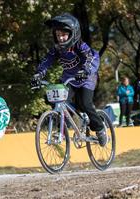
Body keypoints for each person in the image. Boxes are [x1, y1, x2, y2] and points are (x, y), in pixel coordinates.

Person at [30, 13, 107, 146]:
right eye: (58, 35)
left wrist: (85, 70)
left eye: (64, 35)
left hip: (86, 78)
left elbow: (91, 57)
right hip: (69, 80)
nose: (60, 38)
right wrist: (38, 74)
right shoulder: (56, 49)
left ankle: (100, 129)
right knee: (59, 102)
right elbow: (46, 61)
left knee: (85, 103)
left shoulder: (80, 46)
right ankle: (60, 131)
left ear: (73, 33)